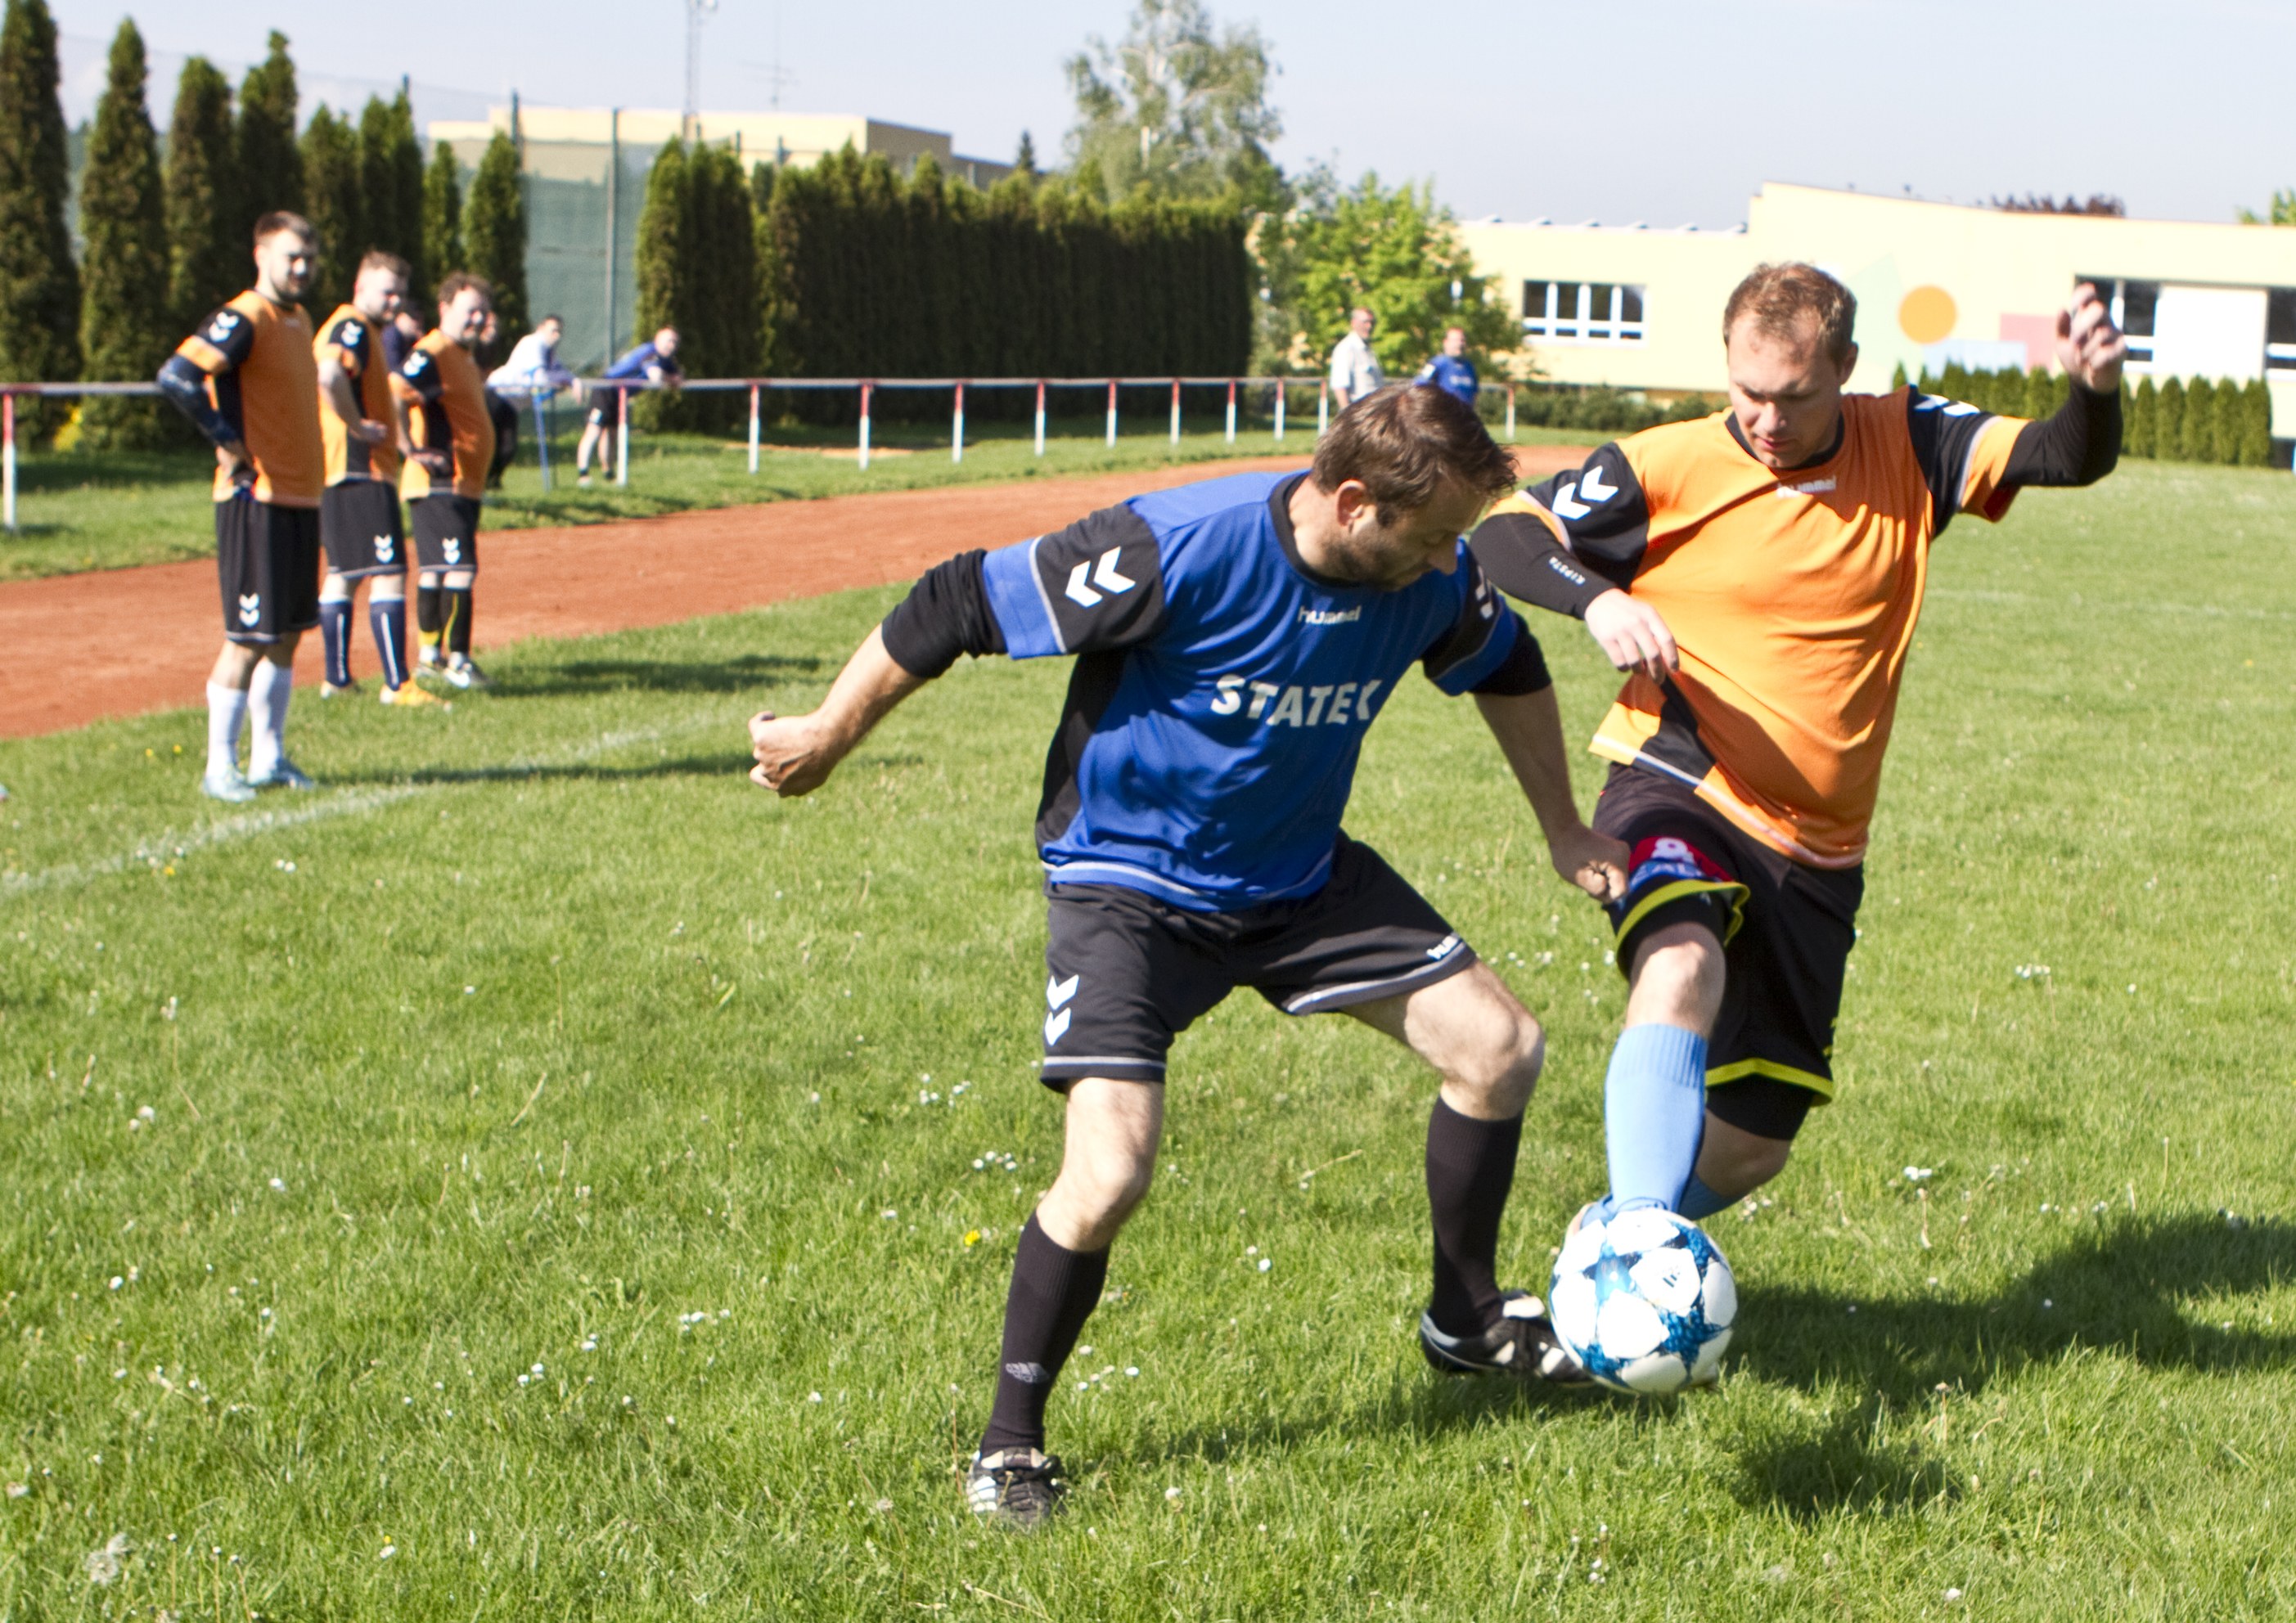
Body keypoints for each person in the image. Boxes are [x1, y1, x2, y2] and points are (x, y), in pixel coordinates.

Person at [747, 385, 1630, 1528]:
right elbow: (957, 600)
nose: (1449, 564)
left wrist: (1564, 826)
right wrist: (827, 730)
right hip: (1130, 890)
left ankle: (1463, 1320)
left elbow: (1503, 666)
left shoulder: (1430, 579)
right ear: (1354, 505)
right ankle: (1008, 1446)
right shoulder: (1172, 548)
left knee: (1499, 1048)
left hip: (1301, 879)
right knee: (1108, 1173)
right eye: (1432, 538)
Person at [1469, 263, 2124, 1285]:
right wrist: (1595, 601)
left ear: (1846, 369)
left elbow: (2059, 456)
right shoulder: (1666, 462)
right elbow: (1507, 532)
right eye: (1746, 394)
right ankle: (1643, 1246)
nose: (1765, 421)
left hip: (1819, 846)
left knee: (1749, 1143)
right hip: (1680, 776)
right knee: (1680, 960)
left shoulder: (1908, 440)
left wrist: (2093, 393)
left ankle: (1605, 1249)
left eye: (1794, 396)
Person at [155, 211, 329, 802]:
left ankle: (270, 759)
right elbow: (178, 377)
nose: (302, 268)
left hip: (301, 499)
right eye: (290, 257)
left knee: (286, 635)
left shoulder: (300, 319)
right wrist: (227, 442)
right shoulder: (243, 317)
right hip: (256, 498)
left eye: (309, 257)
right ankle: (218, 767)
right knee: (247, 637)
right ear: (262, 255)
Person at [312, 250, 439, 708]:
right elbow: (328, 376)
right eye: (387, 292)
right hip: (360, 467)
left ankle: (338, 680)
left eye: (400, 295)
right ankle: (397, 683)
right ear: (359, 286)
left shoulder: (357, 328)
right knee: (388, 573)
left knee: (343, 574)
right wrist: (358, 426)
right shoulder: (352, 326)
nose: (394, 302)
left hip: (336, 467)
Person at [390, 272, 498, 689]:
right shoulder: (432, 351)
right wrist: (410, 450)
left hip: (460, 485)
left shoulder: (462, 356)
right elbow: (395, 388)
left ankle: (429, 658)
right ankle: (459, 661)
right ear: (445, 308)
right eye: (470, 310)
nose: (477, 319)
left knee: (436, 571)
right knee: (459, 570)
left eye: (482, 313)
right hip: (440, 482)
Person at [485, 313, 583, 490]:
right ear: (540, 328)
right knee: (490, 443)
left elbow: (559, 372)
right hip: (497, 394)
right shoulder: (534, 343)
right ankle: (483, 483)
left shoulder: (549, 352)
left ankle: (492, 482)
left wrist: (572, 381)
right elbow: (541, 378)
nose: (557, 336)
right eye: (553, 330)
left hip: (511, 404)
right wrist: (561, 383)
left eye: (560, 332)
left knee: (508, 447)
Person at [575, 326, 682, 486]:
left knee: (611, 434)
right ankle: (583, 474)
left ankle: (608, 474)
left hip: (620, 394)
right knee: (594, 431)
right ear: (657, 339)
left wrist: (674, 377)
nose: (671, 345)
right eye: (668, 340)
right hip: (606, 389)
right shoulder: (650, 353)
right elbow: (656, 378)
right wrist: (669, 378)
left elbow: (679, 377)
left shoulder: (665, 360)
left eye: (675, 342)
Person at [1327, 307, 1384, 410]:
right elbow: (1340, 387)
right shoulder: (1346, 349)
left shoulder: (1367, 350)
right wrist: (1347, 418)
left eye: (1372, 323)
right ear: (1353, 323)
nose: (1369, 326)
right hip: (1359, 415)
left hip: (1374, 413)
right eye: (1365, 322)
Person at [1414, 326, 1479, 410]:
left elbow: (1475, 394)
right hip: (1443, 418)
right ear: (1446, 343)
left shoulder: (1469, 367)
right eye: (1455, 340)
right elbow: (1419, 384)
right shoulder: (1436, 364)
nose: (1459, 344)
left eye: (1462, 340)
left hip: (1465, 418)